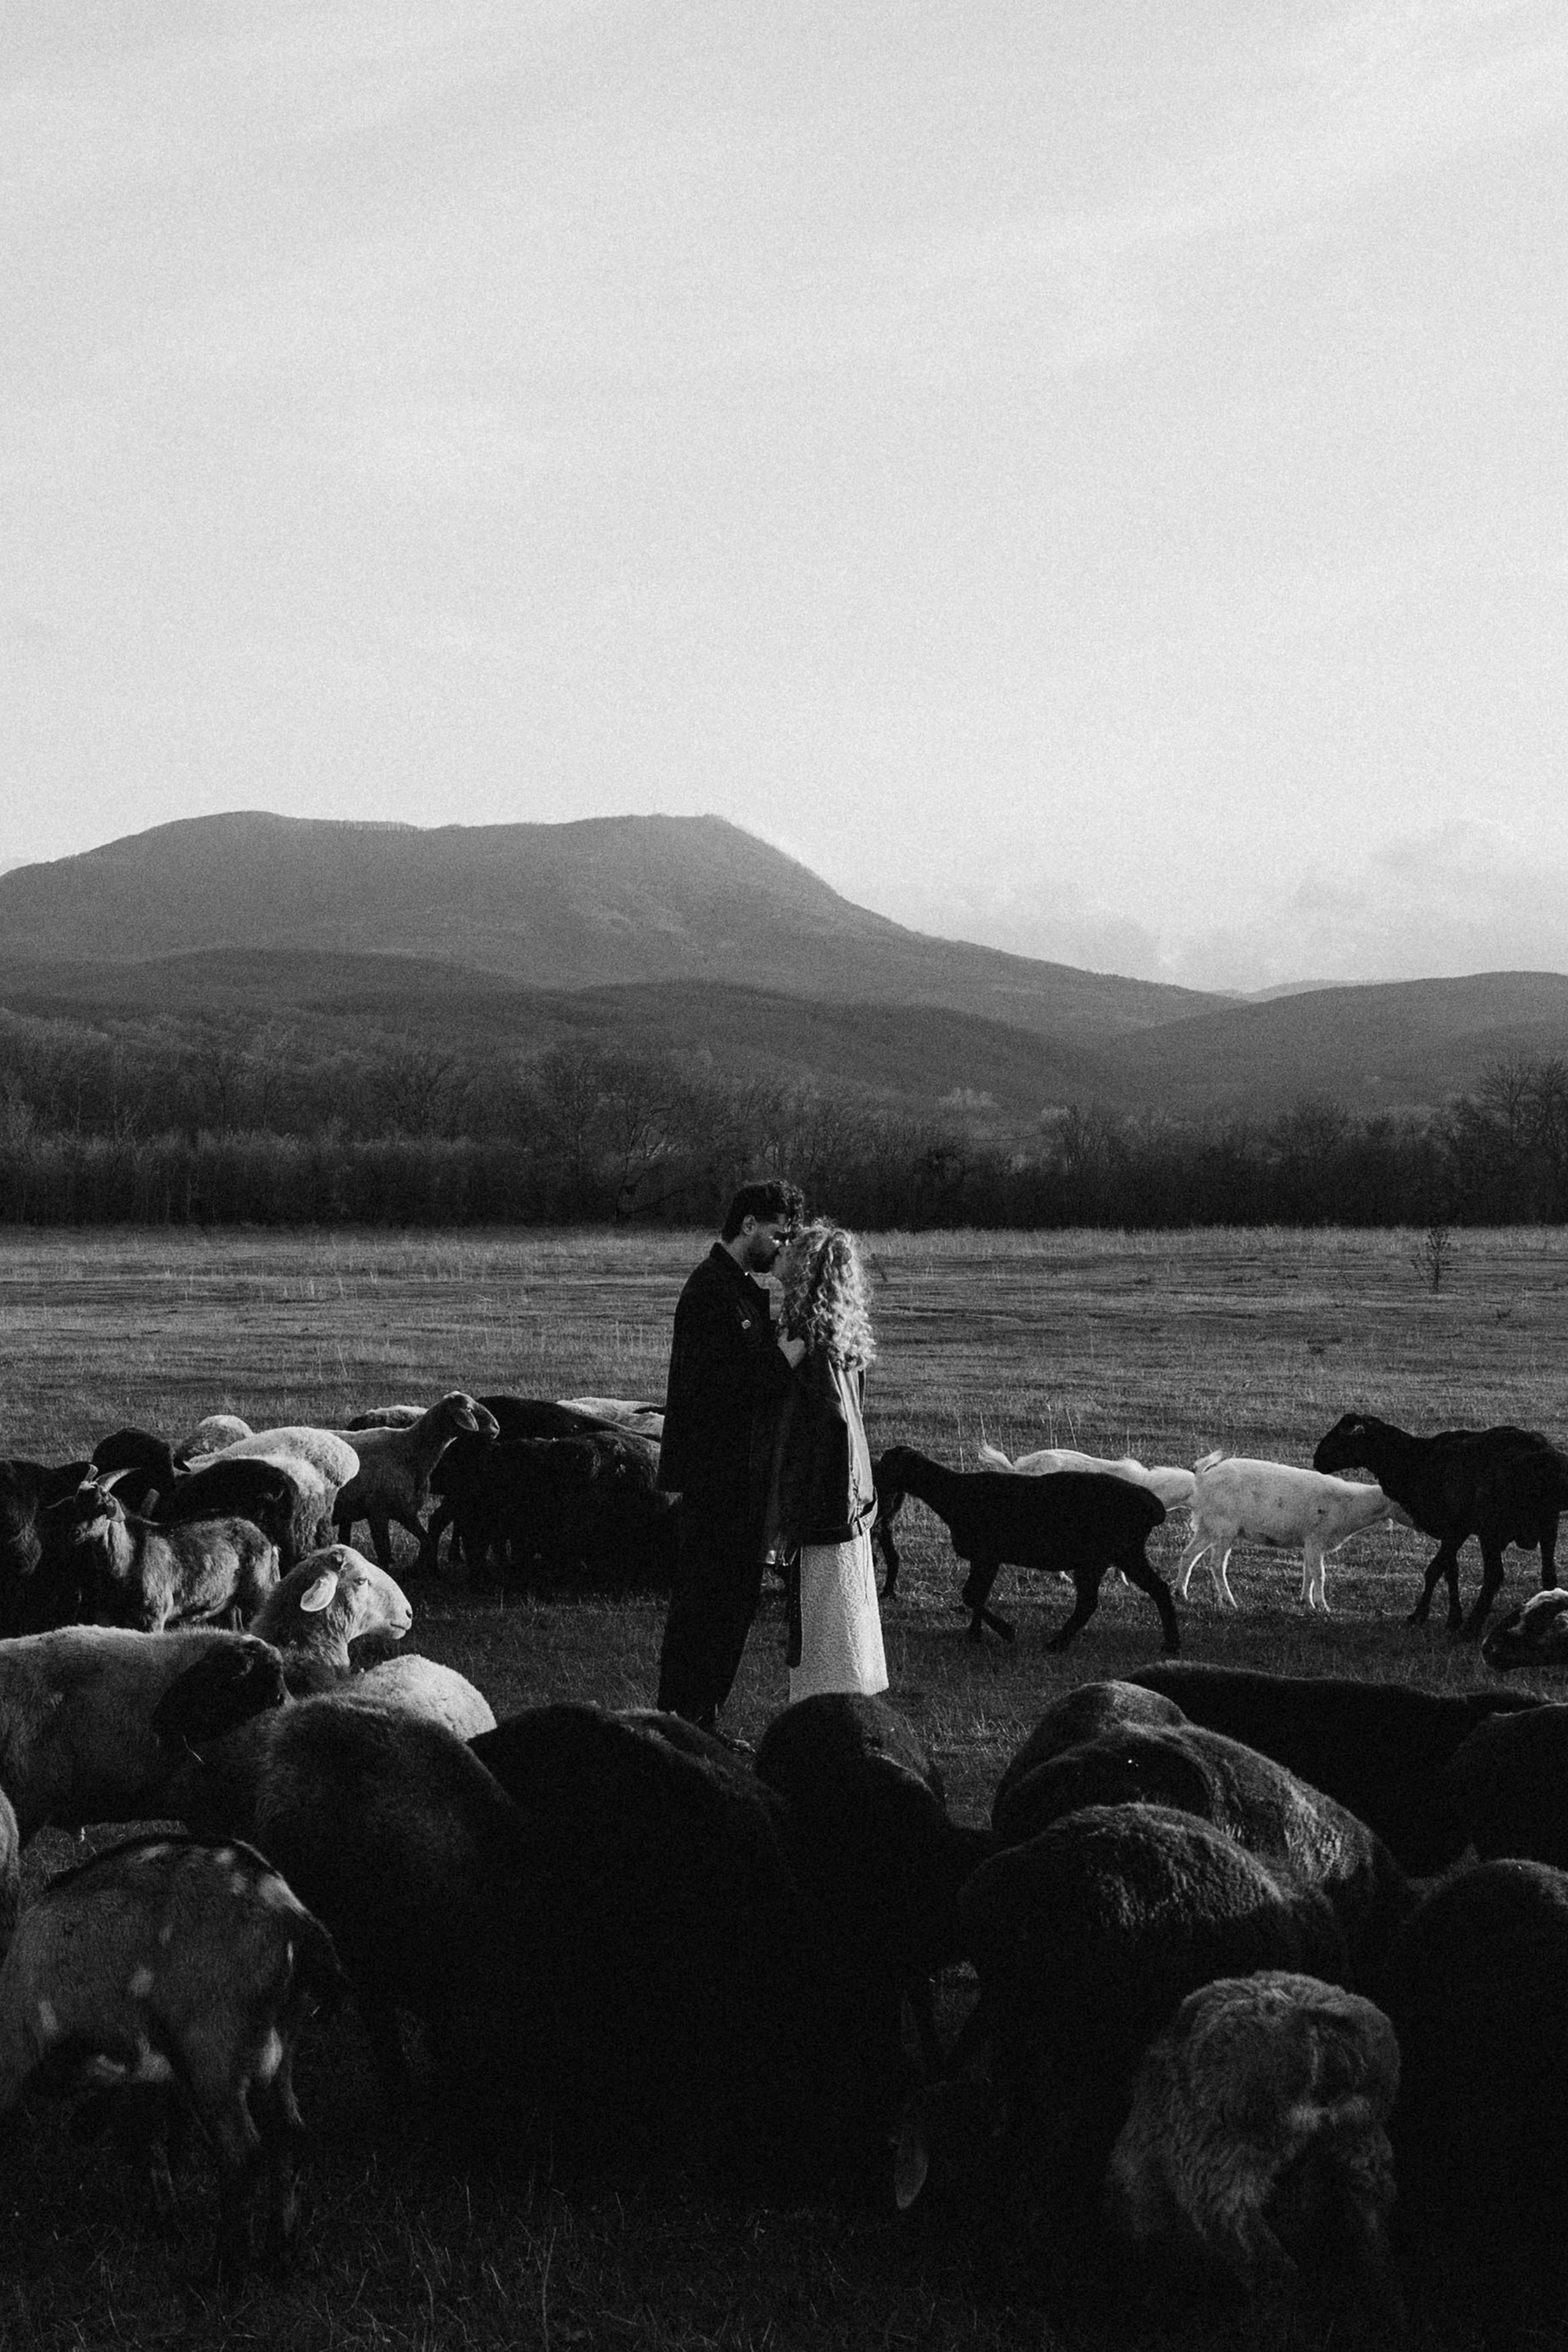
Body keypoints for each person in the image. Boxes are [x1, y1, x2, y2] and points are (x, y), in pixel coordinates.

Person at [654, 1178, 806, 1731]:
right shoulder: (711, 1292)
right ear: (748, 1226)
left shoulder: (735, 1287)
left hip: (736, 1475)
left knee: (732, 1604)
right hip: (716, 1477)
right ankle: (680, 1718)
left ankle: (701, 1720)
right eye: (777, 1233)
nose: (783, 1246)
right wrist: (797, 1346)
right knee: (706, 1605)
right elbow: (734, 1383)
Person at [767, 1221, 888, 1704]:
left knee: (823, 1628)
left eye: (791, 1250)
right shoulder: (841, 1336)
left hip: (823, 1503)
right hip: (850, 1501)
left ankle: (827, 1721)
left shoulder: (804, 1342)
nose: (781, 1252)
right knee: (845, 1618)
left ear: (806, 1270)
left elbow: (818, 1428)